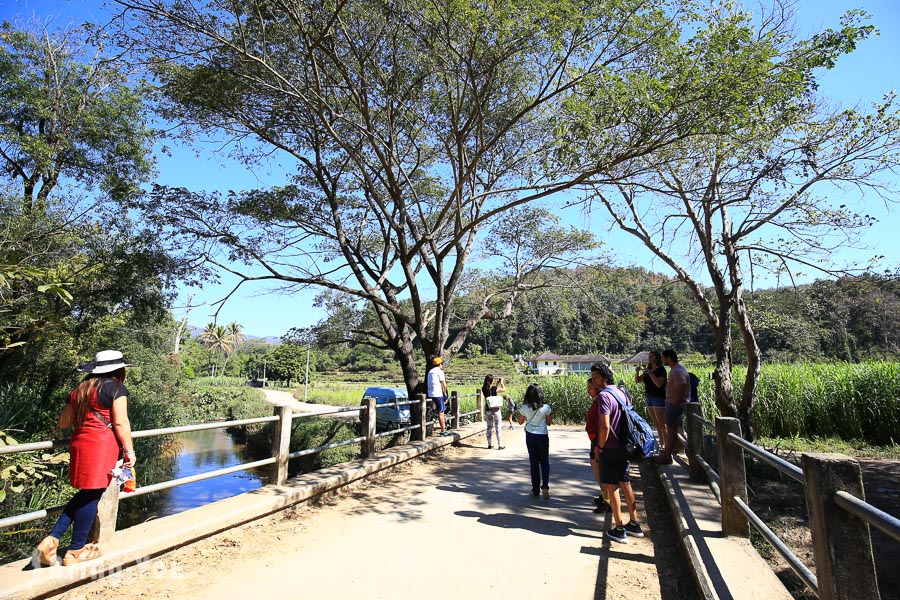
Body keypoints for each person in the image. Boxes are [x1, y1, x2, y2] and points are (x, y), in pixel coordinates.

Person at [32, 350, 136, 567]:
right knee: (91, 497)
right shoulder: (116, 389)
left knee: (86, 494)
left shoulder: (80, 389)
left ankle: (52, 539)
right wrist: (129, 451)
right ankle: (76, 550)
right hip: (102, 447)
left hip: (80, 445)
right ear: (119, 370)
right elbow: (120, 423)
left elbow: (63, 422)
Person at [593, 362, 644, 544]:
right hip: (624, 446)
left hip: (610, 447)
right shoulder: (620, 392)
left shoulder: (603, 396)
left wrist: (600, 446)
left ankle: (620, 528)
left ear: (605, 378)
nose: (594, 380)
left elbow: (605, 425)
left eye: (596, 377)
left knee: (611, 486)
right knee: (626, 482)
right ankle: (634, 523)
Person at [516, 383, 552, 499]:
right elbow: (549, 423)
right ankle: (545, 486)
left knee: (534, 463)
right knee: (544, 462)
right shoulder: (546, 408)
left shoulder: (525, 408)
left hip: (530, 437)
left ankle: (535, 490)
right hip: (542, 436)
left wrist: (524, 416)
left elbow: (520, 422)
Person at [657, 348, 690, 465]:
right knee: (670, 430)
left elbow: (681, 388)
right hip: (672, 403)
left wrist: (675, 403)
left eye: (663, 358)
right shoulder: (675, 370)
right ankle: (667, 454)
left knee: (671, 432)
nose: (662, 360)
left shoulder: (677, 371)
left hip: (674, 404)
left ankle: (667, 456)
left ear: (668, 358)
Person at [585, 376, 611, 513]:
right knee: (597, 468)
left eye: (591, 387)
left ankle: (608, 500)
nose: (588, 390)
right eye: (588, 387)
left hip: (598, 441)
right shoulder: (596, 402)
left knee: (601, 470)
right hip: (594, 440)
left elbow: (602, 425)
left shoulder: (600, 402)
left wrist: (598, 446)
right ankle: (604, 495)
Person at [634, 350, 668, 453]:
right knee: (657, 424)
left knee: (662, 424)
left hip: (658, 397)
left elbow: (659, 384)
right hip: (649, 397)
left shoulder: (661, 370)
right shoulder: (648, 369)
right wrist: (637, 372)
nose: (649, 358)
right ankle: (662, 445)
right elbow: (638, 381)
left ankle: (666, 446)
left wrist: (651, 374)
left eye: (651, 356)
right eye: (649, 356)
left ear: (656, 358)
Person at [427, 356, 451, 436]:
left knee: (436, 410)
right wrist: (445, 395)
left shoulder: (430, 371)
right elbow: (444, 384)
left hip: (430, 393)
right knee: (441, 411)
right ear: (440, 364)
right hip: (437, 393)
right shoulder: (439, 372)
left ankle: (438, 428)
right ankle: (443, 430)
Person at [482, 374, 504, 449]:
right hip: (496, 410)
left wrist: (496, 384)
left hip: (488, 410)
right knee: (498, 427)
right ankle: (500, 445)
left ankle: (489, 444)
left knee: (489, 427)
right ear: (492, 381)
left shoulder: (483, 388)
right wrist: (502, 383)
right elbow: (504, 389)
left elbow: (491, 390)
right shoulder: (495, 388)